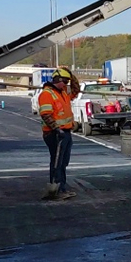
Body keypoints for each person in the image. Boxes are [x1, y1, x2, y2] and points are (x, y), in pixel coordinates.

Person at [38, 66, 80, 201]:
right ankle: (55, 190)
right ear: (58, 80)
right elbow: (46, 115)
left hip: (65, 132)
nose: (67, 84)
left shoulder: (63, 92)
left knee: (63, 162)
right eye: (65, 81)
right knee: (57, 162)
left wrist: (71, 76)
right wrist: (57, 129)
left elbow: (76, 90)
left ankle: (62, 188)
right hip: (54, 134)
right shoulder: (47, 94)